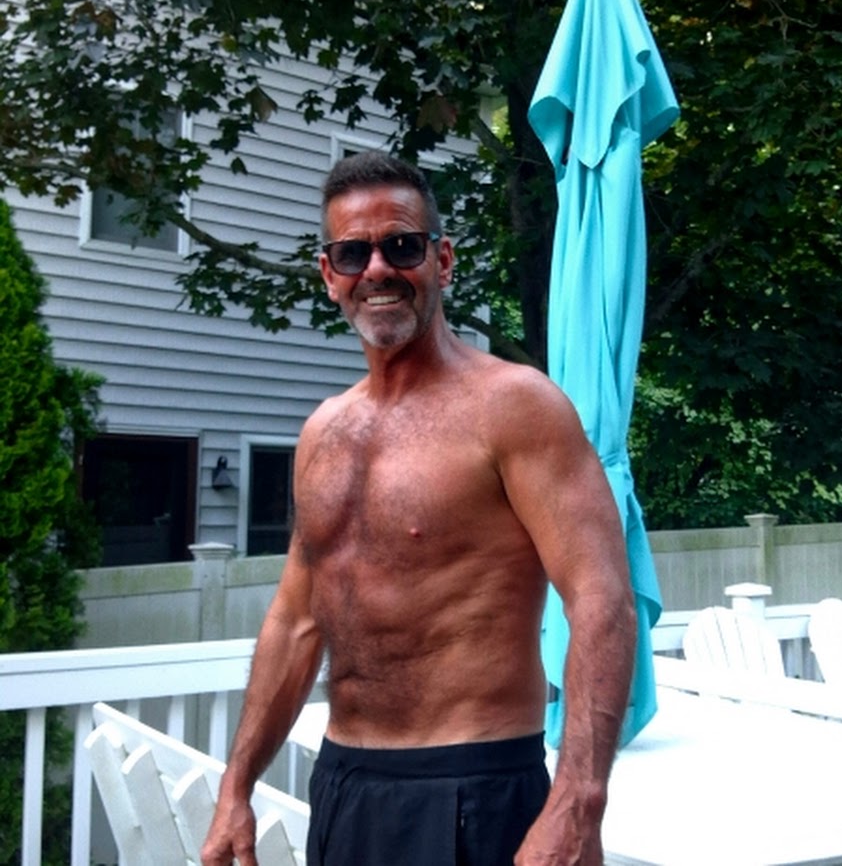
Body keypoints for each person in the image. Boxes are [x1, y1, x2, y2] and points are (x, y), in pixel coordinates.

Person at [201, 150, 636, 866]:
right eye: (353, 253)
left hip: (475, 789)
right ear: (329, 275)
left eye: (401, 246)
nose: (377, 269)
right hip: (345, 785)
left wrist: (578, 802)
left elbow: (601, 598)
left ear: (443, 260)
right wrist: (235, 785)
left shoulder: (515, 406)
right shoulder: (323, 434)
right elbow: (296, 620)